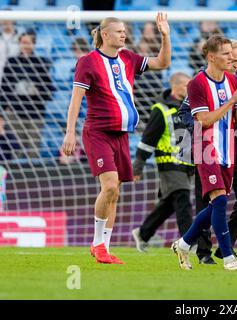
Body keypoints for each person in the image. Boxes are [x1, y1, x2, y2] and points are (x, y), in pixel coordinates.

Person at [61, 13, 171, 264]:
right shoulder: (88, 62)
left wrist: (165, 36)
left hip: (122, 135)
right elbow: (76, 98)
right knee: (109, 186)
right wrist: (70, 133)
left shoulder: (128, 58)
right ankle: (97, 243)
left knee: (115, 192)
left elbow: (163, 63)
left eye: (125, 31)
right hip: (98, 132)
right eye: (119, 31)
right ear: (105, 34)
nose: (124, 34)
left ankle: (104, 248)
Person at [171, 35, 237, 271]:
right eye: (227, 54)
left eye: (233, 54)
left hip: (228, 147)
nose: (232, 58)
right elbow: (204, 119)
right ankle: (228, 257)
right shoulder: (197, 83)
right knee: (218, 199)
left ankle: (184, 243)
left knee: (216, 204)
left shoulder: (234, 80)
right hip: (205, 147)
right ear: (211, 57)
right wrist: (231, 101)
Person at [131, 72, 194, 252]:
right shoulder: (161, 109)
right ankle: (189, 243)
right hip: (168, 163)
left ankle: (143, 233)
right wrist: (138, 167)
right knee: (182, 198)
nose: (190, 90)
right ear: (176, 86)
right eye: (186, 86)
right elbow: (147, 140)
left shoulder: (189, 108)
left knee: (169, 204)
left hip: (188, 164)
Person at [0, 31, 54, 158]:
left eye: (28, 42)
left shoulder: (41, 63)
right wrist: (3, 111)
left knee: (33, 151)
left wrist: (38, 90)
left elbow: (49, 89)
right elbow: (5, 87)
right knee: (15, 151)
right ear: (19, 43)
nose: (25, 45)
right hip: (15, 113)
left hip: (35, 113)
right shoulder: (12, 62)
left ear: (34, 44)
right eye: (23, 42)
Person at [0, 19, 20, 85]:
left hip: (13, 74)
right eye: (3, 19)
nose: (5, 21)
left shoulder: (19, 38)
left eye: (8, 19)